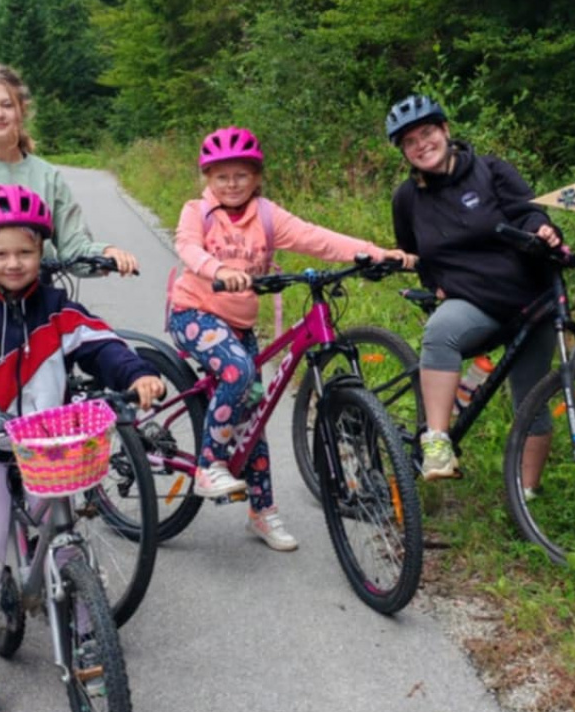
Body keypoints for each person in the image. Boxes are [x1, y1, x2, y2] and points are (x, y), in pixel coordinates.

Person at [0, 184, 165, 712]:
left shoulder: (55, 306)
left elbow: (100, 343)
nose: (13, 263)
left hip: (47, 449)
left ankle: (90, 640)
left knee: (67, 541)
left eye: (26, 252)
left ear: (42, 253)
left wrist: (137, 373)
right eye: (0, 252)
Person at [167, 126, 414, 551]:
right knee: (239, 370)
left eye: (241, 175)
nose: (231, 184)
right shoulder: (198, 210)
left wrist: (376, 253)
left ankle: (261, 514)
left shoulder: (266, 215)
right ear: (207, 179)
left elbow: (316, 238)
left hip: (239, 326)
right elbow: (187, 247)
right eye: (221, 176)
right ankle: (209, 464)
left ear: (256, 177)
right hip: (195, 312)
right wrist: (218, 270)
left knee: (254, 417)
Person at [385, 94, 561, 498]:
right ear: (404, 152)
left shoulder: (491, 170)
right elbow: (414, 251)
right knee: (441, 330)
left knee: (531, 396)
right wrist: (434, 284)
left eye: (427, 132)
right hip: (474, 302)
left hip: (529, 297)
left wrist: (543, 230)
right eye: (410, 141)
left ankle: (526, 496)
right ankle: (437, 442)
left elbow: (529, 212)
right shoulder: (406, 198)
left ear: (446, 131)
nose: (421, 144)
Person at [0, 63, 139, 287]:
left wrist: (106, 254)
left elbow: (74, 247)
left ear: (22, 109)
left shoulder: (48, 176)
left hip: (39, 295)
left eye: (7, 105)